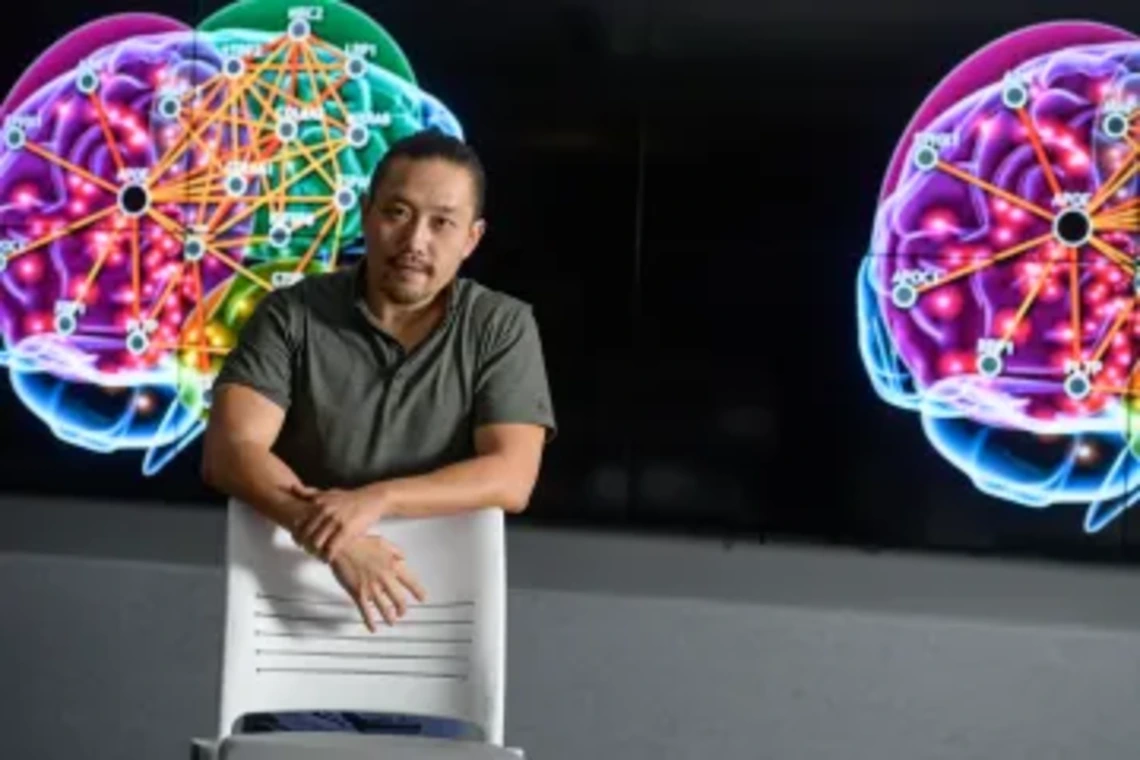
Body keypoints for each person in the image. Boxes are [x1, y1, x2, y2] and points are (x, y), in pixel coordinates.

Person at [199, 128, 557, 736]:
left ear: (471, 240)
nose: (415, 241)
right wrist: (340, 541)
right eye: (397, 212)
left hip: (434, 652)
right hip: (290, 643)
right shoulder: (292, 313)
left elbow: (512, 476)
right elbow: (231, 452)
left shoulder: (501, 326)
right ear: (365, 216)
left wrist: (376, 499)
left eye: (442, 223)